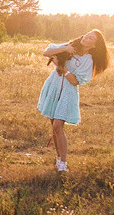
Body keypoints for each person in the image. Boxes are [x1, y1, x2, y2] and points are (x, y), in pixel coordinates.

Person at [37, 29, 109, 172]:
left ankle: (63, 163)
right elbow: (46, 52)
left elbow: (75, 81)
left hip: (68, 92)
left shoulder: (88, 60)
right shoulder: (71, 46)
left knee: (58, 125)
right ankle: (58, 158)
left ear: (94, 45)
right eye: (87, 35)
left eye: (90, 38)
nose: (86, 38)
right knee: (54, 126)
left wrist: (62, 68)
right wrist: (65, 48)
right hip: (54, 86)